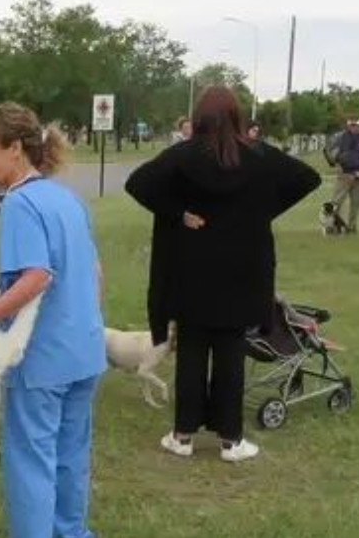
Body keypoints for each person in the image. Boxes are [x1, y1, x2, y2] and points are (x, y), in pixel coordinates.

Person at [125, 87, 320, 463]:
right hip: (241, 275)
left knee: (192, 351)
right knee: (231, 350)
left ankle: (182, 436)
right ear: (237, 117)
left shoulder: (181, 156)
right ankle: (231, 441)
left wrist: (178, 213)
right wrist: (260, 210)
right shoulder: (258, 156)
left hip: (190, 272)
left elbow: (139, 183)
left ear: (198, 118)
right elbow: (307, 178)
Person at [0, 102, 105, 538]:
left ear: (15, 149)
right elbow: (94, 272)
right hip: (84, 352)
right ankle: (71, 532)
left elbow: (37, 276)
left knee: (32, 460)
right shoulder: (66, 198)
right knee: (71, 456)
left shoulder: (20, 204)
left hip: (43, 359)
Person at [332, 117, 359, 234]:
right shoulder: (340, 137)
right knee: (336, 202)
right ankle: (335, 225)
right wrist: (340, 168)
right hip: (344, 175)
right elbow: (333, 154)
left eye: (356, 125)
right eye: (352, 125)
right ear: (348, 125)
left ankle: (351, 227)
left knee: (356, 203)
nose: (354, 127)